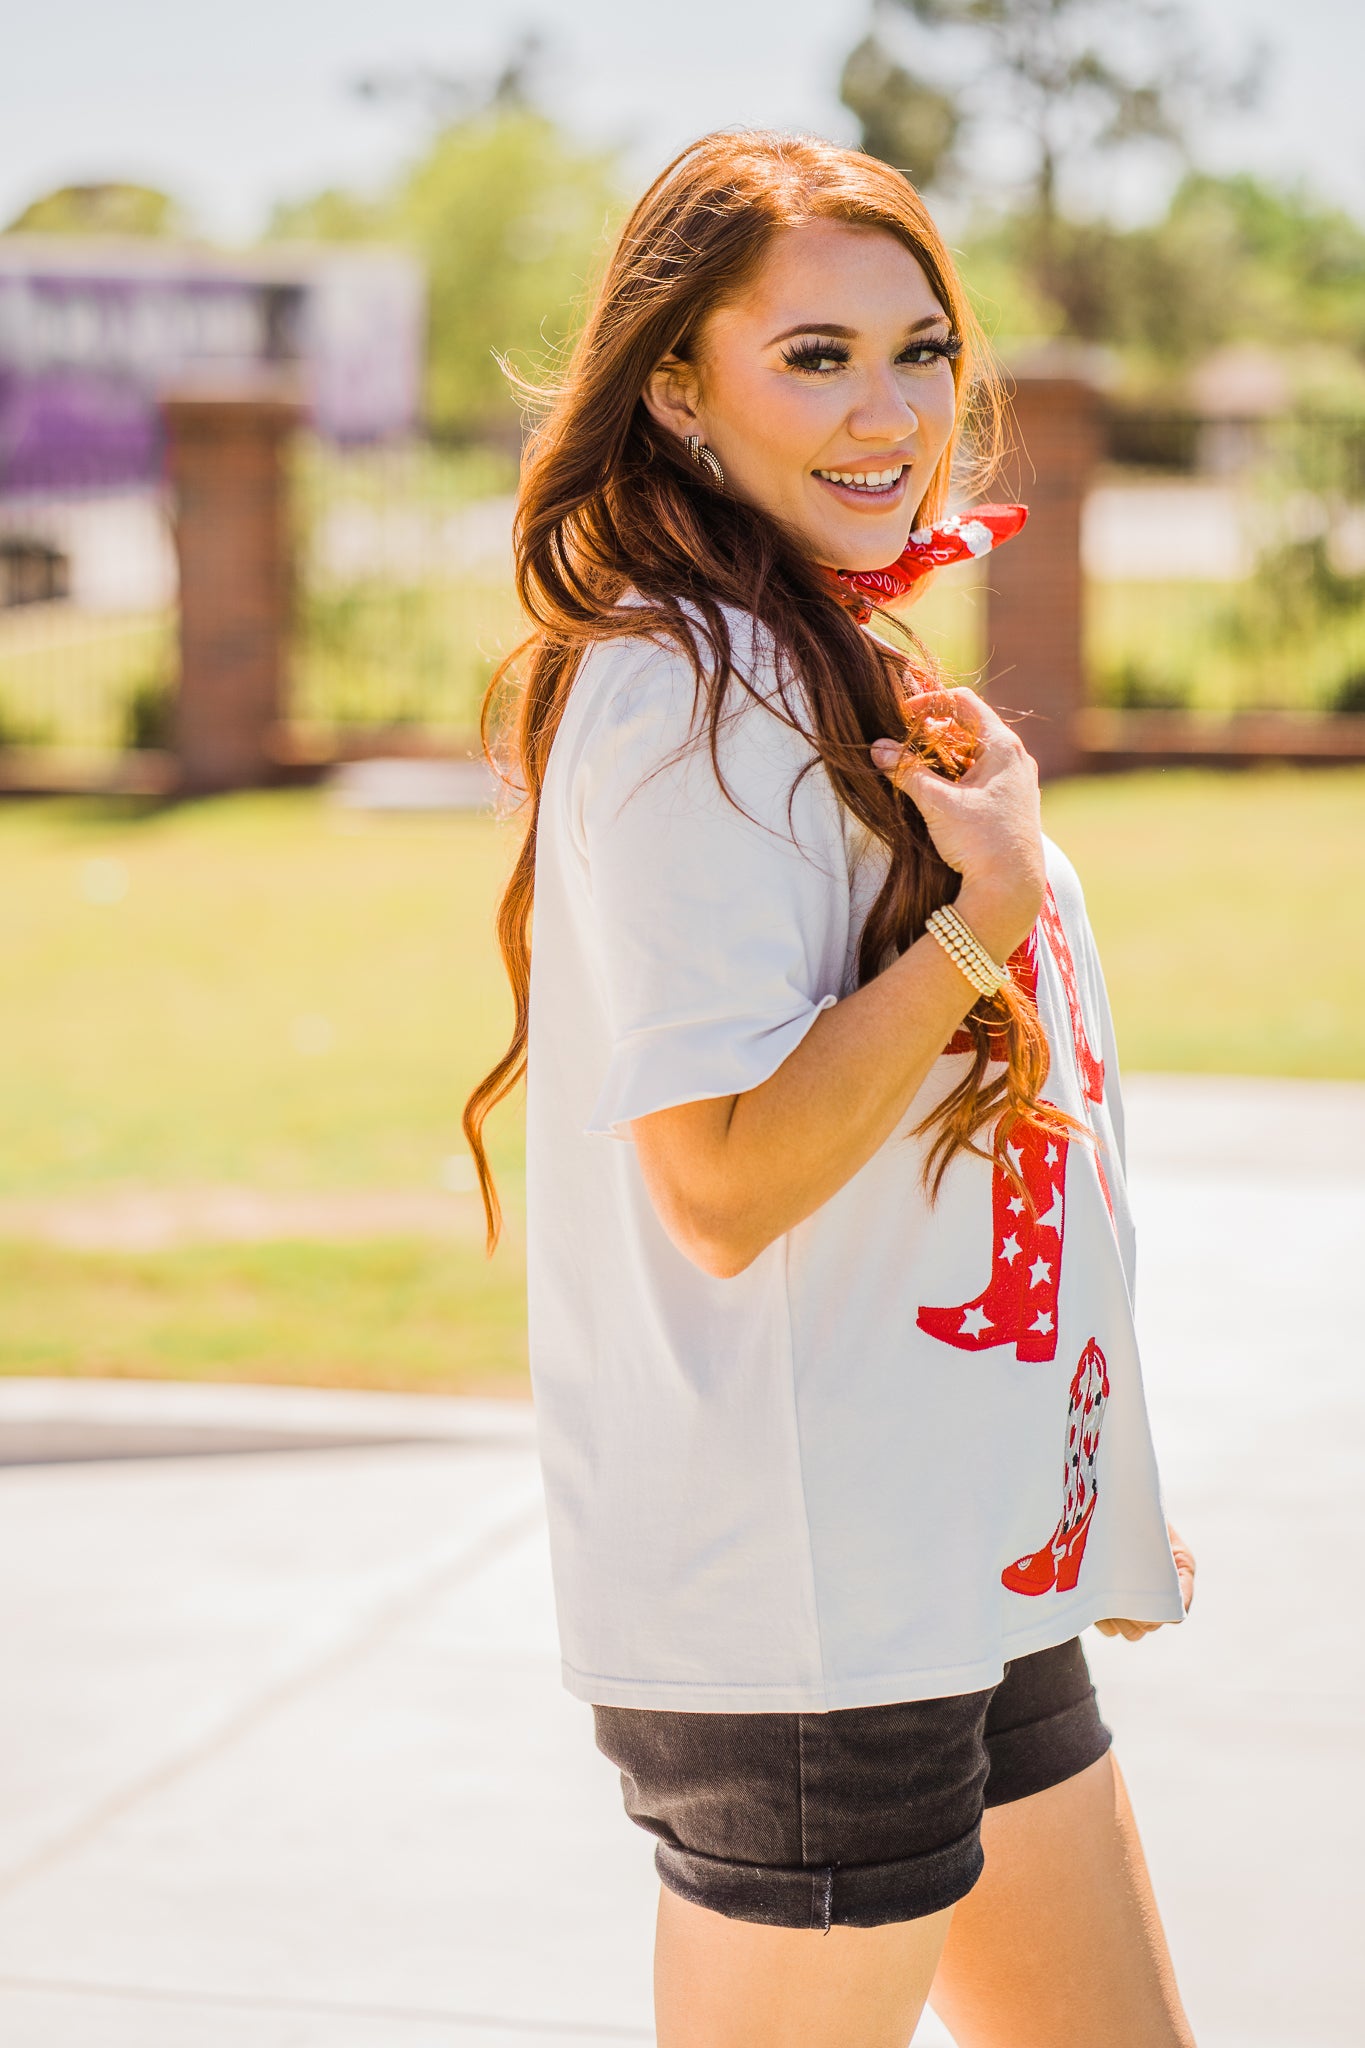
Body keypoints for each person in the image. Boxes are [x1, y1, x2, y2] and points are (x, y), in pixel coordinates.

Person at [465, 130, 1198, 2048]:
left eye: (921, 348)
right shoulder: (675, 685)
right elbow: (718, 1181)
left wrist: (1082, 1468)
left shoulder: (813, 657)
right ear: (677, 384)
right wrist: (985, 913)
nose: (889, 411)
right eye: (813, 356)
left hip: (943, 1547)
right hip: (806, 1618)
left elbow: (977, 1178)